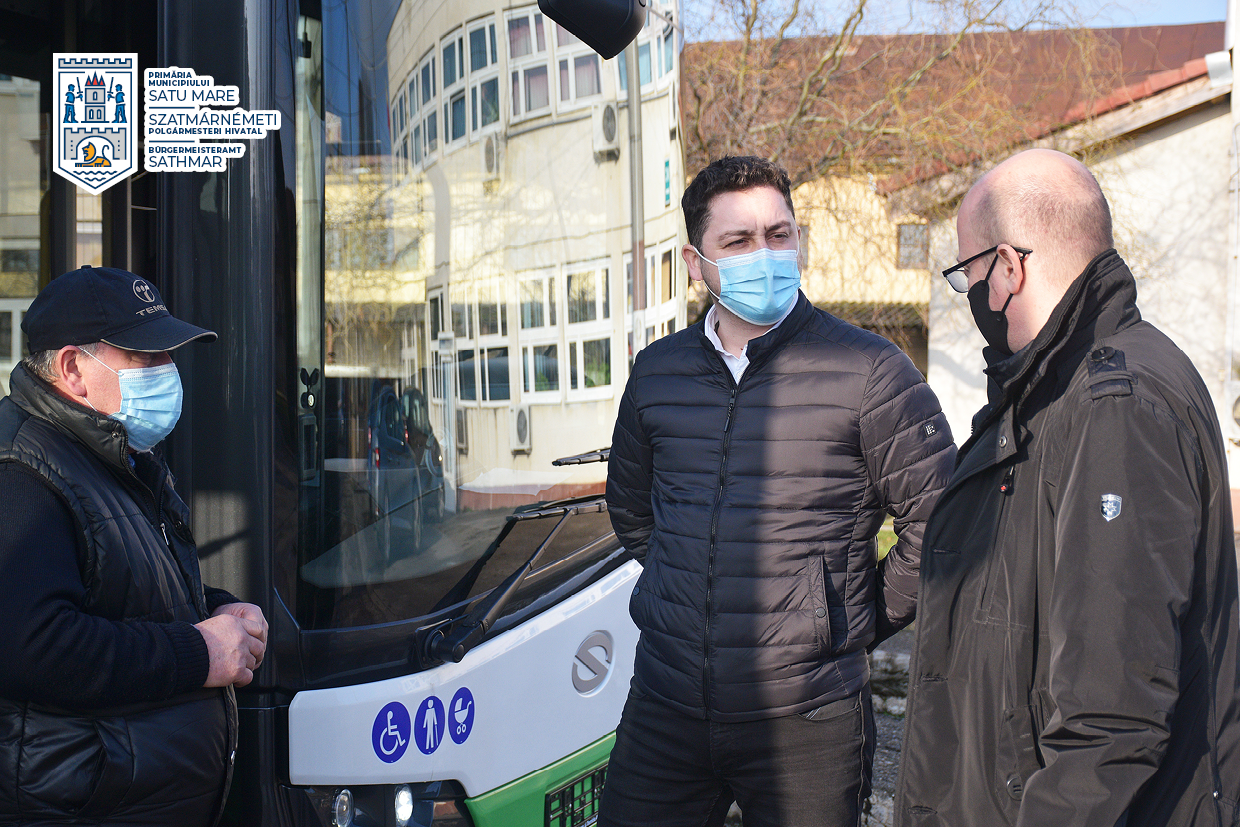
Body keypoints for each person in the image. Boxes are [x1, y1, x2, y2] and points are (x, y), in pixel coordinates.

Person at [601, 155, 957, 827]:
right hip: (665, 705)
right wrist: (689, 592)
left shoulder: (870, 370)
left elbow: (942, 521)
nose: (763, 254)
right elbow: (634, 511)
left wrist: (845, 618)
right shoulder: (656, 372)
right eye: (738, 241)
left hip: (810, 717)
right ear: (695, 262)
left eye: (778, 234)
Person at [895, 148, 1240, 826]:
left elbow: (1112, 716)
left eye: (968, 274)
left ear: (1008, 266)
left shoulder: (1117, 407)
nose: (972, 297)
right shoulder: (1050, 398)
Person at [0, 266, 268, 826]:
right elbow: (35, 647)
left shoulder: (112, 454)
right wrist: (200, 652)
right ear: (73, 368)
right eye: (146, 356)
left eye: (168, 354)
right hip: (75, 809)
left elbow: (121, 588)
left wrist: (216, 611)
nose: (167, 370)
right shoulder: (21, 470)